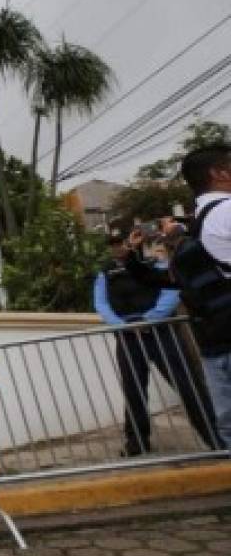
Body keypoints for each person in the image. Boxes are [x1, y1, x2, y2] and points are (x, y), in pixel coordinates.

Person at [127, 145, 231, 453]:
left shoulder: (200, 224)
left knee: (227, 422)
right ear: (219, 173)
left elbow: (169, 281)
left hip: (214, 341)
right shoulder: (221, 214)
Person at [93, 233, 220, 456]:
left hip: (161, 332)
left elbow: (171, 291)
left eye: (121, 242)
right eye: (113, 244)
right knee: (133, 391)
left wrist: (151, 319)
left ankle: (215, 438)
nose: (118, 247)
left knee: (187, 385)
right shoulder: (105, 273)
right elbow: (101, 303)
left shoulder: (155, 264)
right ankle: (137, 442)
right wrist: (122, 325)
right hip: (128, 336)